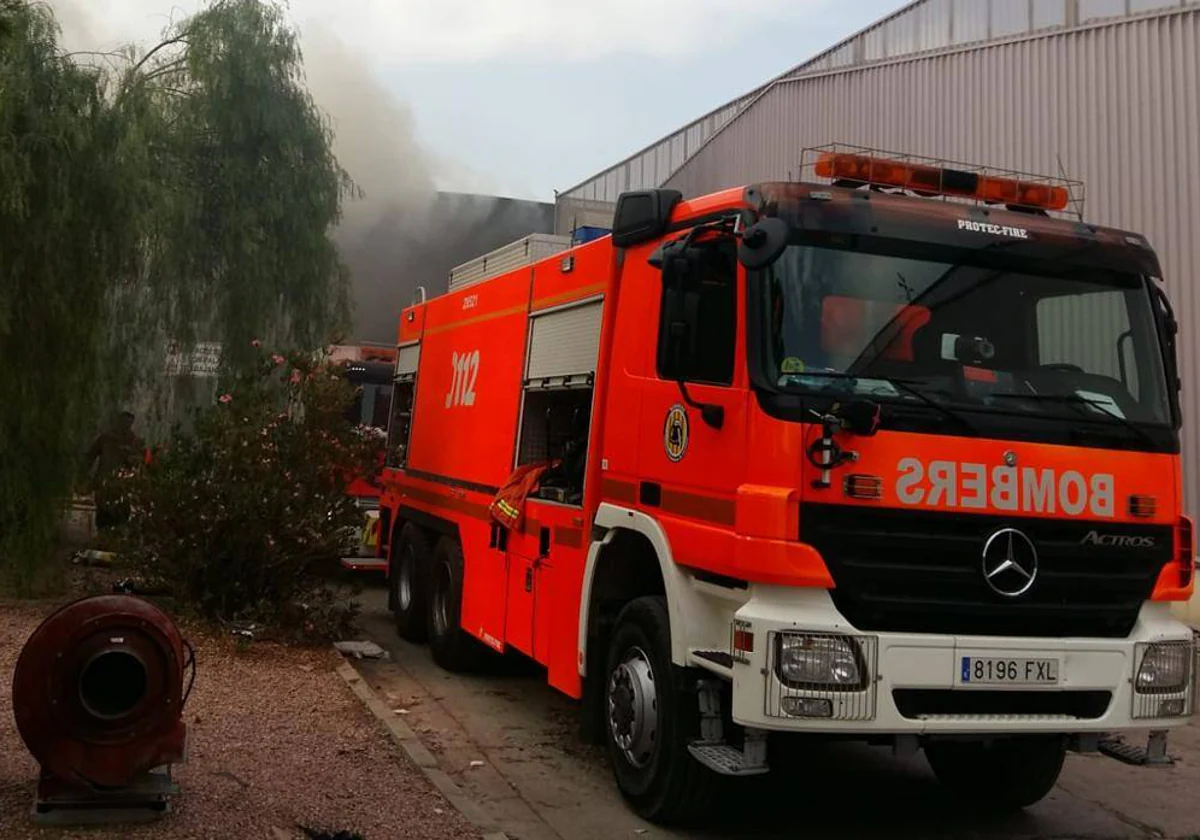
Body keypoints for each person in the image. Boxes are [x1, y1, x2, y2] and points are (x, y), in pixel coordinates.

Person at [83, 410, 144, 531]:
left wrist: (132, 459)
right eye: (124, 422)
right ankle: (103, 537)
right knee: (103, 514)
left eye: (129, 423)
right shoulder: (106, 438)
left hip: (123, 486)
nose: (126, 426)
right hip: (104, 482)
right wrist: (85, 476)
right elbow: (90, 456)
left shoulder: (134, 442)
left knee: (120, 515)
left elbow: (139, 463)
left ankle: (116, 538)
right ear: (119, 422)